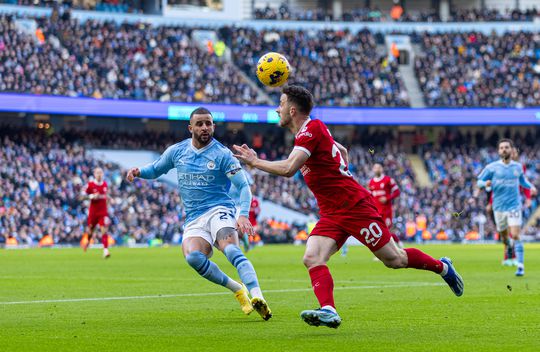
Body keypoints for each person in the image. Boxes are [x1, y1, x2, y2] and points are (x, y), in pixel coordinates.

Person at [233, 85, 463, 328]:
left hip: (354, 207)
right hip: (332, 212)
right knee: (312, 257)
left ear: (292, 110)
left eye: (280, 104)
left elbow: (290, 169)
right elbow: (341, 150)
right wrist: (339, 168)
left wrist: (255, 162)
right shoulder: (310, 132)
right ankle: (329, 310)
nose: (276, 108)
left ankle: (443, 267)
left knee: (394, 259)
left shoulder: (311, 129)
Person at [126, 107, 271, 320]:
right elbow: (156, 169)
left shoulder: (222, 154)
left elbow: (243, 187)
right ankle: (237, 289)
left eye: (209, 124)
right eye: (200, 124)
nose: (205, 127)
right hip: (194, 217)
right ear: (190, 127)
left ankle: (258, 296)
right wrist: (139, 172)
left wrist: (243, 214)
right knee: (193, 258)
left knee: (230, 250)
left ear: (213, 126)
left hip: (219, 210)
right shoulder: (177, 151)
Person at [477, 139, 537, 276]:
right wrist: (484, 184)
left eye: (506, 147)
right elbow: (479, 181)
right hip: (498, 208)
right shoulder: (491, 167)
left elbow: (523, 181)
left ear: (511, 150)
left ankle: (520, 266)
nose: (504, 149)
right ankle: (508, 246)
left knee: (515, 234)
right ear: (498, 151)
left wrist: (531, 187)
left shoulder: (517, 167)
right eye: (501, 148)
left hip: (514, 206)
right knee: (504, 237)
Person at [368, 163, 402, 247]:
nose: (377, 169)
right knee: (380, 231)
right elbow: (370, 196)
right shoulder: (371, 182)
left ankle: (394, 248)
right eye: (375, 168)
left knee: (386, 231)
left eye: (379, 167)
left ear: (382, 169)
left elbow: (397, 192)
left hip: (386, 210)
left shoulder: (388, 180)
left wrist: (387, 198)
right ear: (373, 169)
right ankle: (397, 245)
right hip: (376, 211)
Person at [83, 167, 111, 259]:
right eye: (97, 173)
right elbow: (82, 196)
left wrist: (108, 206)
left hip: (103, 212)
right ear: (94, 174)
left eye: (101, 173)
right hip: (93, 212)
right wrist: (91, 196)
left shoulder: (105, 185)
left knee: (104, 230)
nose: (99, 174)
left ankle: (106, 250)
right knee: (91, 230)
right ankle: (88, 241)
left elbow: (106, 197)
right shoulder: (90, 185)